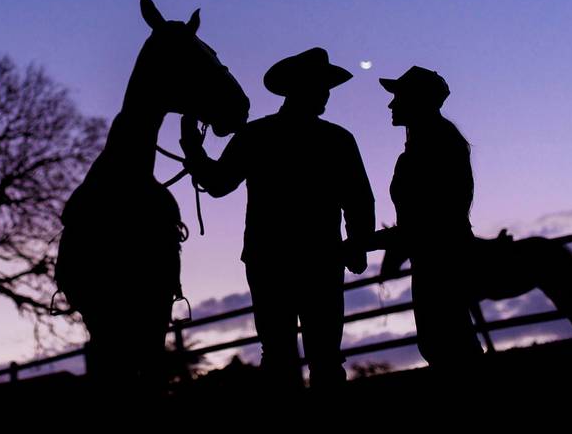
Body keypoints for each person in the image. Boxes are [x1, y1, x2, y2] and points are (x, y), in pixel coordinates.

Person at [180, 47, 374, 390]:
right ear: (302, 89)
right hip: (319, 258)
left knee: (282, 354)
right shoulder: (337, 139)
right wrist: (357, 246)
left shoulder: (257, 136)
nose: (325, 94)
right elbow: (358, 199)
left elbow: (218, 183)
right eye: (320, 87)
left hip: (270, 259)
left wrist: (193, 150)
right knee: (323, 354)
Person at [376, 66, 483, 368]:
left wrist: (372, 241)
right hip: (436, 256)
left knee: (446, 343)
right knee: (447, 341)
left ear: (417, 100)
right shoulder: (437, 142)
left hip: (439, 259)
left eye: (398, 97)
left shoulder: (433, 147)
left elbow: (429, 220)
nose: (391, 104)